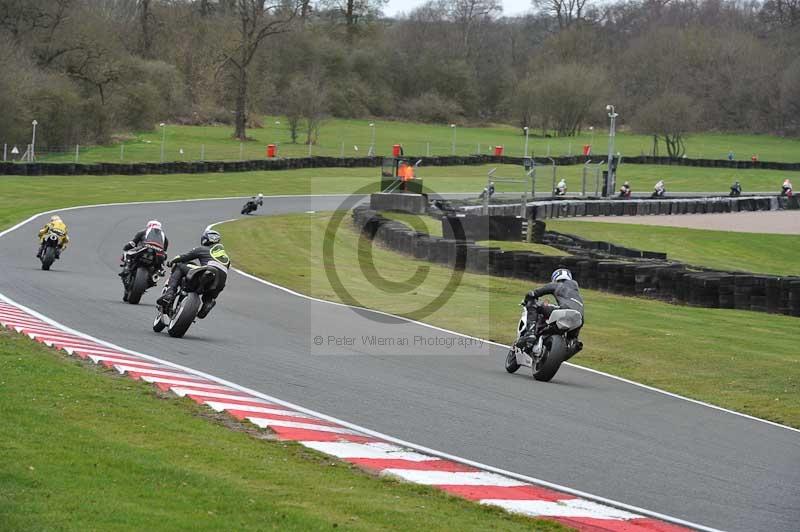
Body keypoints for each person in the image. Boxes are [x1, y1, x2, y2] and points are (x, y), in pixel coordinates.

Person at [157, 229, 230, 317]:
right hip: (220, 283)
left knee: (180, 265)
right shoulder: (225, 256)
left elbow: (183, 257)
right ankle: (208, 302)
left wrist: (172, 261)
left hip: (207, 272)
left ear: (205, 239)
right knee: (209, 295)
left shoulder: (202, 249)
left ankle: (169, 294)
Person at [517, 268, 584, 350]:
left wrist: (527, 298)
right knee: (571, 342)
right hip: (579, 320)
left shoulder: (558, 285)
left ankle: (530, 333)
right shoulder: (578, 295)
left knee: (534, 305)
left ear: (555, 277)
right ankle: (571, 343)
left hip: (564, 310)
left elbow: (534, 293)